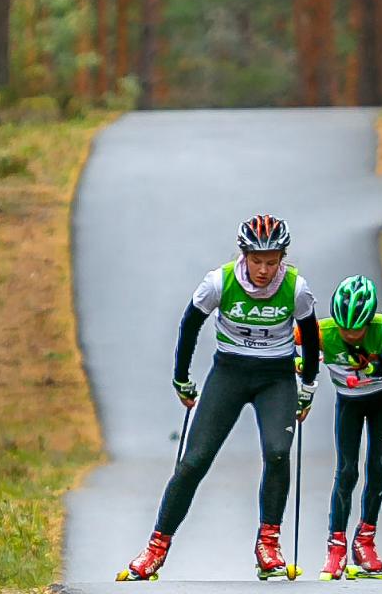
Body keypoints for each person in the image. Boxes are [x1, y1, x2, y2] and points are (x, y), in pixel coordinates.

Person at [120, 214, 322, 582]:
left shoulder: (296, 288)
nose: (263, 270)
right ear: (243, 254)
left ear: (282, 257)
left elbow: (310, 336)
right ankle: (155, 548)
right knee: (194, 460)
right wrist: (182, 378)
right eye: (256, 260)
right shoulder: (219, 282)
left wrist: (308, 385)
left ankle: (268, 545)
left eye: (272, 261)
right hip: (229, 373)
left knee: (278, 452)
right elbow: (189, 326)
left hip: (276, 377)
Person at [311, 275, 382, 580]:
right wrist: (301, 363)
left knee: (377, 466)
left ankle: (365, 541)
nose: (350, 333)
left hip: (381, 399)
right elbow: (282, 338)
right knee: (347, 470)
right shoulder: (322, 332)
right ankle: (336, 546)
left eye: (357, 328)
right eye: (344, 327)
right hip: (348, 403)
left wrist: (372, 365)